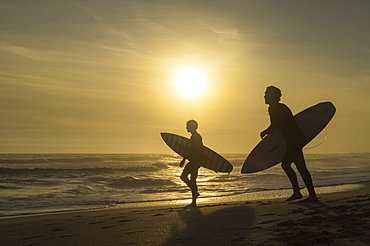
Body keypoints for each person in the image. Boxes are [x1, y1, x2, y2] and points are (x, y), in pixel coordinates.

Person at [260, 86, 318, 202]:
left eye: (266, 94)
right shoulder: (280, 107)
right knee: (300, 167)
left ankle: (300, 193)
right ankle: (309, 195)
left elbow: (274, 125)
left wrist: (264, 132)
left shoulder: (275, 107)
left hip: (294, 140)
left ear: (273, 96)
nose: (264, 97)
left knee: (286, 165)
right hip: (295, 139)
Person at [180, 120, 203, 207]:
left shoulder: (195, 137)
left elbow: (193, 150)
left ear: (192, 127)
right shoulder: (196, 136)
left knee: (184, 177)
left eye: (188, 126)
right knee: (193, 180)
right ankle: (194, 200)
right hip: (195, 161)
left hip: (194, 161)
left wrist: (184, 159)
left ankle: (195, 193)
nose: (186, 128)